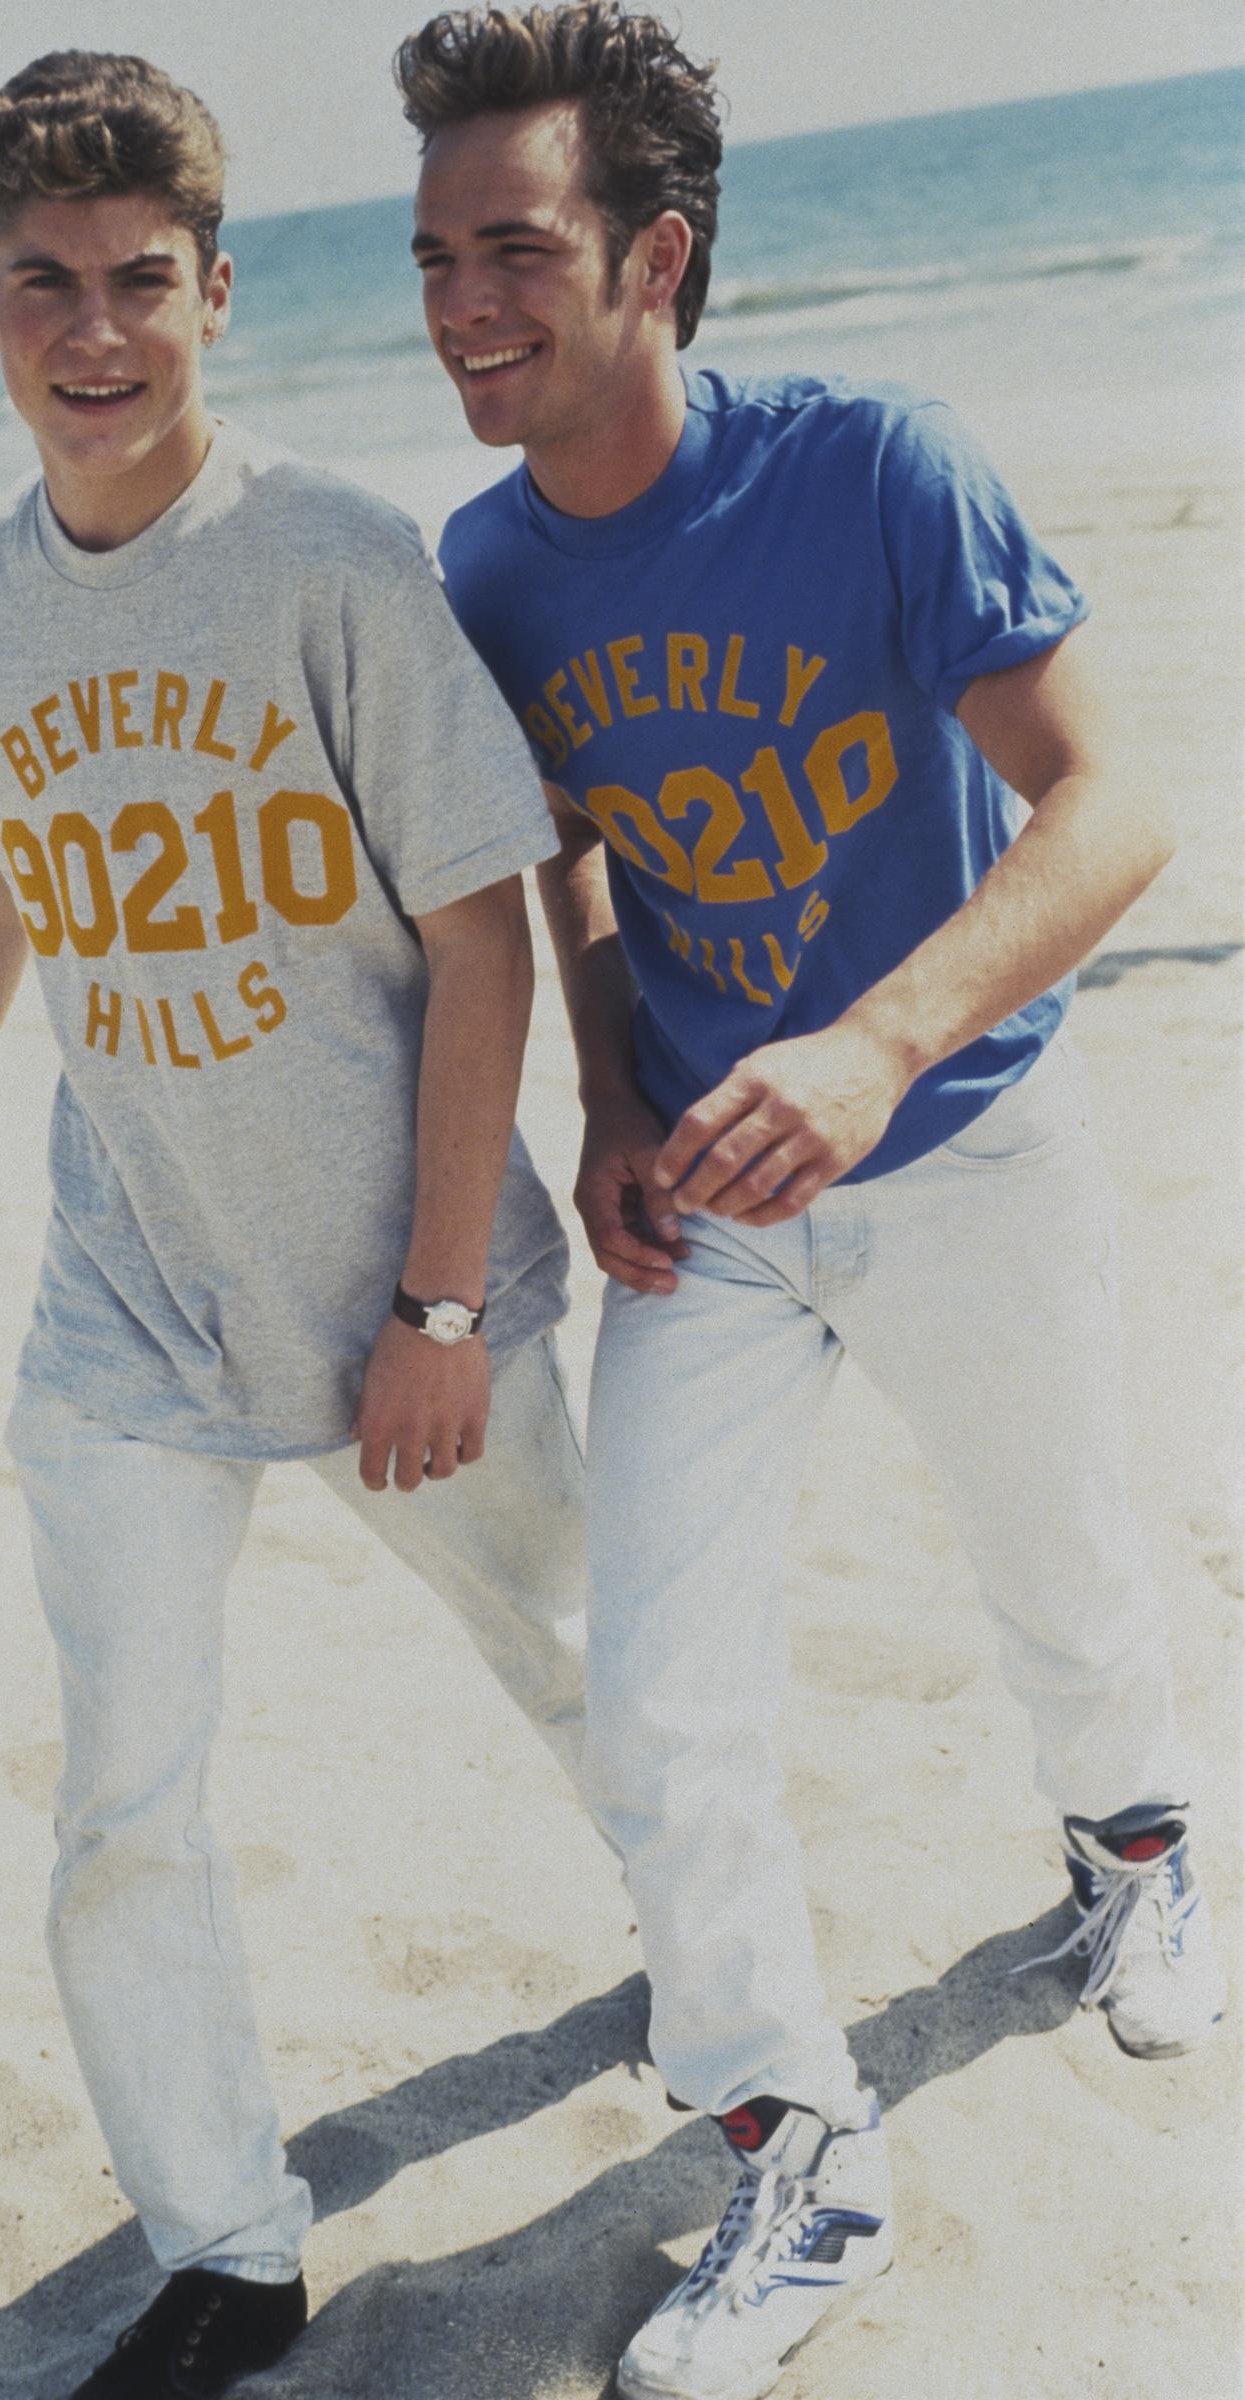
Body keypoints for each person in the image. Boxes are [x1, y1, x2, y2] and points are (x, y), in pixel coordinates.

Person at [395, 7, 1226, 2397]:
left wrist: (876, 1039)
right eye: (437, 255)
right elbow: (549, 864)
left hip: (970, 1144)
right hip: (715, 1214)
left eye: (516, 251)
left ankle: (1137, 1861)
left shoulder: (875, 469)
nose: (462, 302)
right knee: (656, 1700)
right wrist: (608, 1098)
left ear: (653, 258)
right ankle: (797, 2147)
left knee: (1059, 1575)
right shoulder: (484, 567)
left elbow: (1109, 808)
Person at [0, 50, 589, 2400]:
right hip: (126, 1310)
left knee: (594, 1679)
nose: (95, 332)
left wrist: (437, 1302)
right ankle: (227, 2245)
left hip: (405, 1292)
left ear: (217, 291)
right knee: (117, 1803)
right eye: (44, 286)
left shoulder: (334, 560)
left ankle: (746, 2022)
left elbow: (481, 938)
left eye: (139, 282)